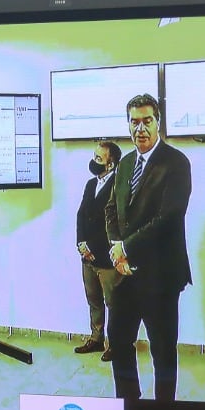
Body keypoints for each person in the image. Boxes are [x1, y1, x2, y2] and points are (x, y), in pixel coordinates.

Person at [104, 94, 192, 400]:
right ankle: (129, 404)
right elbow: (111, 210)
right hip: (125, 273)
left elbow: (169, 217)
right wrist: (117, 249)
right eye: (134, 122)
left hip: (161, 275)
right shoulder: (126, 163)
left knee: (163, 350)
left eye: (147, 121)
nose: (140, 128)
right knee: (118, 340)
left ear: (158, 122)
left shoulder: (176, 162)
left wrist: (126, 248)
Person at [74, 139, 122, 362]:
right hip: (87, 257)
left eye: (98, 158)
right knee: (93, 299)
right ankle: (96, 338)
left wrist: (93, 247)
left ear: (110, 164)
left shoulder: (119, 186)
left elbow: (115, 223)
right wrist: (81, 243)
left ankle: (116, 344)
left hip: (106, 257)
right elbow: (81, 215)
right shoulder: (90, 184)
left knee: (114, 304)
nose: (93, 162)